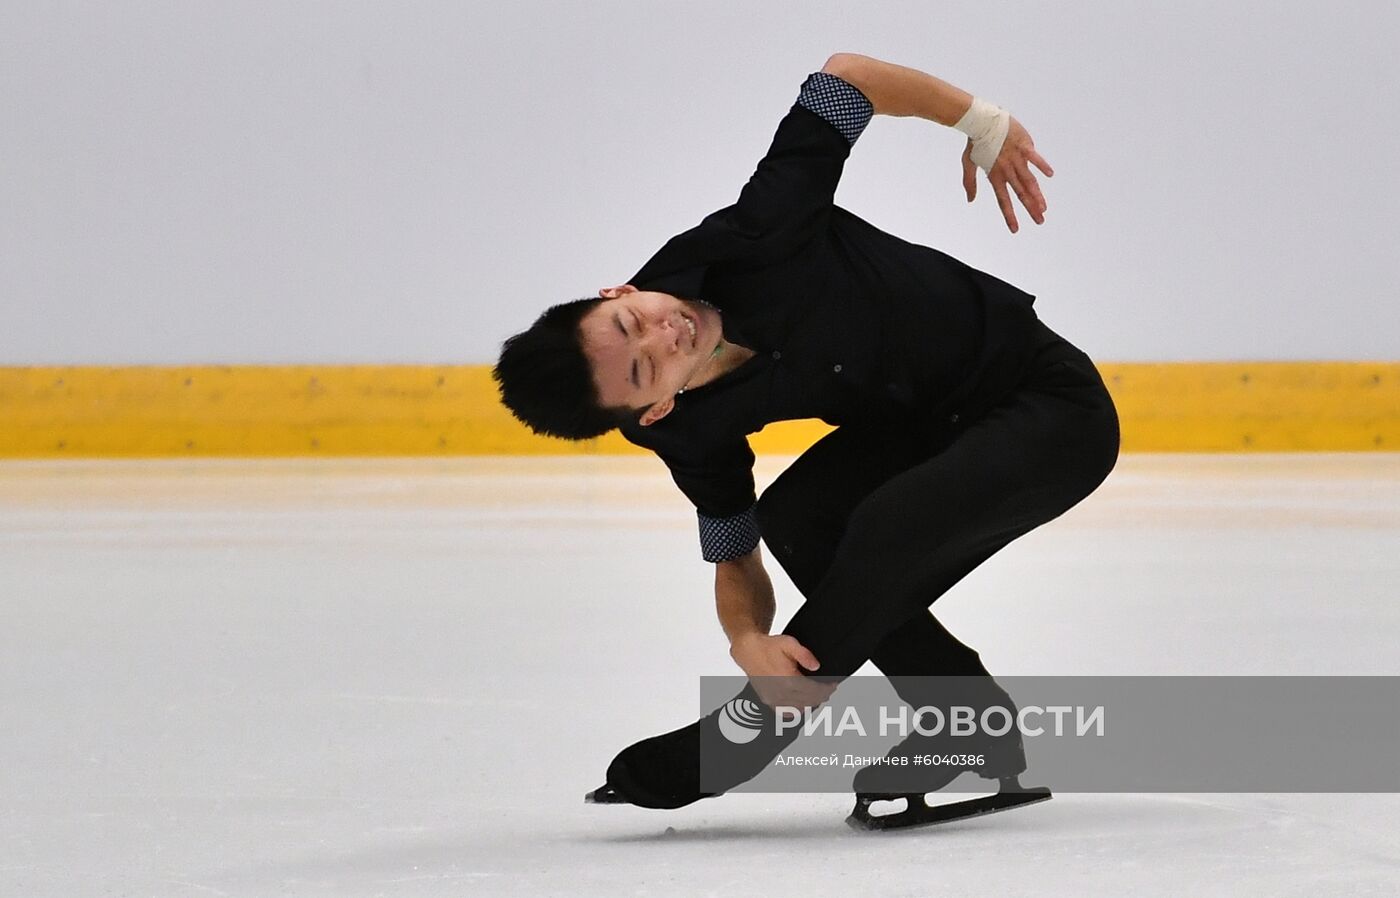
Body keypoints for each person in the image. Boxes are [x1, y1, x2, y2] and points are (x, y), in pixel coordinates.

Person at [493, 52, 1120, 809]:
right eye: (639, 371)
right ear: (652, 412)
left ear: (618, 290)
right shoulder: (685, 432)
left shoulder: (759, 233)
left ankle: (757, 734)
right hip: (923, 429)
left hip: (1047, 405)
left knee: (892, 521)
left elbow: (846, 77)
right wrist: (748, 643)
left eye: (633, 318)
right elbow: (732, 546)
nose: (665, 335)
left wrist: (983, 122)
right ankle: (968, 721)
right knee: (795, 517)